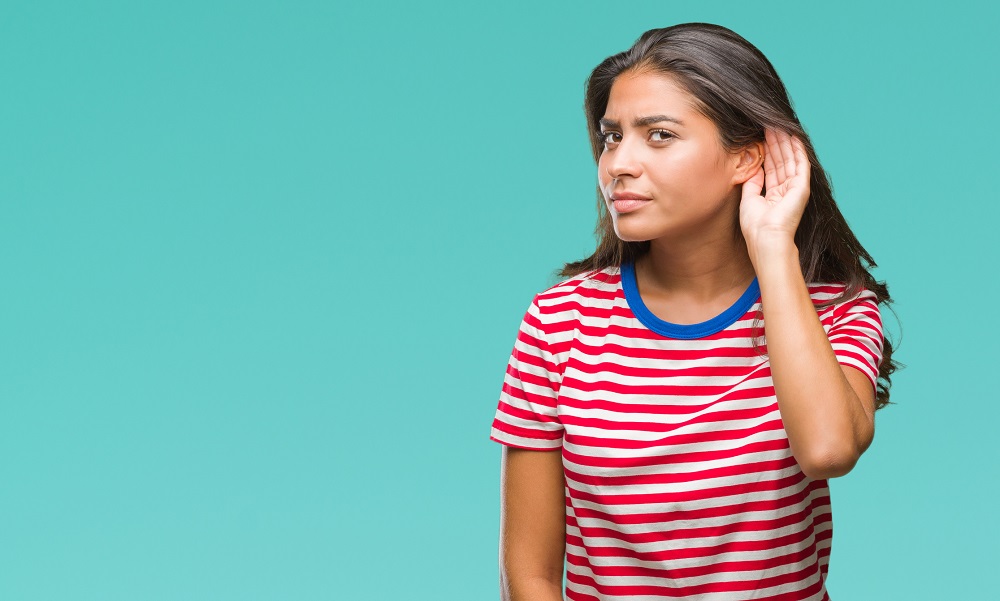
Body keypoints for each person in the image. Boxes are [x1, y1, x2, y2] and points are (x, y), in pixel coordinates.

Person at [488, 22, 901, 601]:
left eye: (658, 135)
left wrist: (773, 247)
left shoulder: (835, 314)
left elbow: (828, 450)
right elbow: (527, 576)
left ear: (747, 157)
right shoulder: (559, 321)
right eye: (611, 138)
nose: (618, 165)